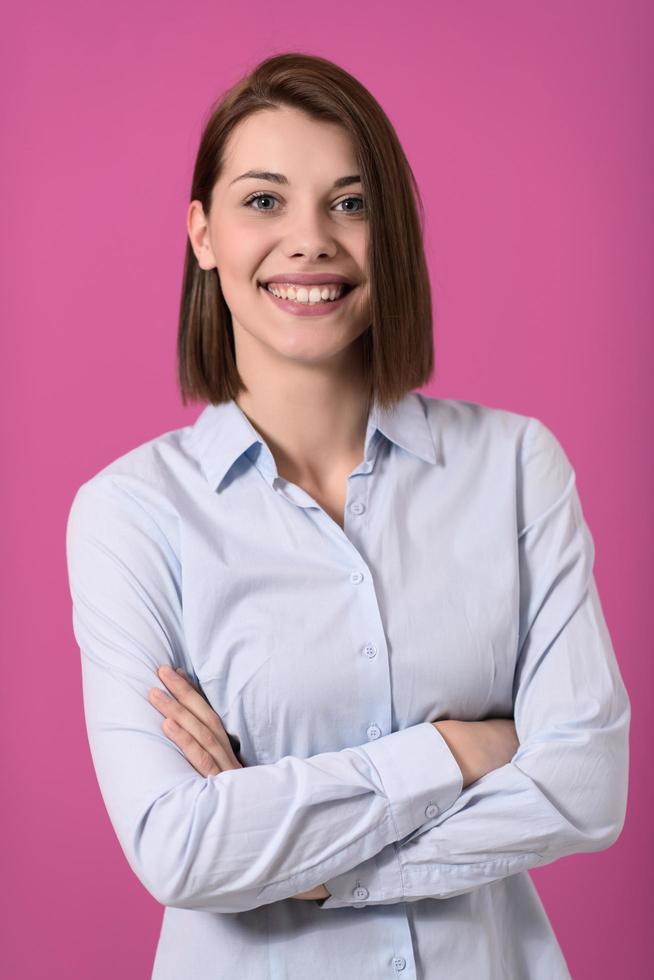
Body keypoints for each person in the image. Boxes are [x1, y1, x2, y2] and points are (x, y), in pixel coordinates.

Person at [65, 52, 631, 980]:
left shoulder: (517, 469)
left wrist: (318, 863)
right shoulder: (132, 516)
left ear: (391, 233)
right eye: (263, 201)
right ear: (202, 234)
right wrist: (460, 750)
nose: (310, 241)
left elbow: (585, 788)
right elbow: (179, 847)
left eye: (350, 203)